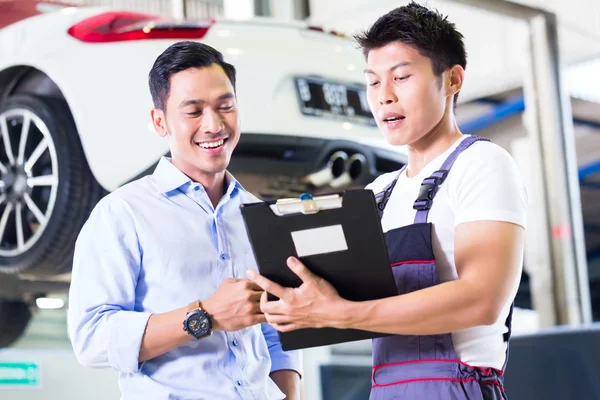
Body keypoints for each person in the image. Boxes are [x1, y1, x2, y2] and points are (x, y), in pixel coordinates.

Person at [248, 2, 527, 399]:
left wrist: (341, 313)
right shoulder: (379, 193)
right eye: (374, 82)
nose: (385, 97)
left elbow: (481, 299)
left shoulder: (482, 164)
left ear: (452, 80)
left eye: (402, 77)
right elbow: (334, 300)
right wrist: (287, 300)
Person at [67, 41, 301, 400]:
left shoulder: (261, 216)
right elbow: (92, 338)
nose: (214, 124)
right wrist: (205, 316)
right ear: (159, 121)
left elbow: (276, 330)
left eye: (226, 106)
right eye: (193, 111)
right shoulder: (123, 214)